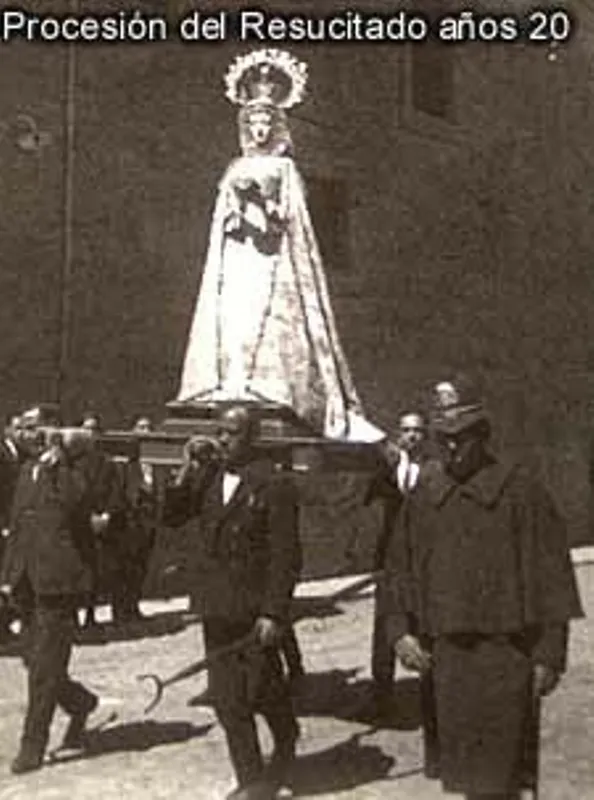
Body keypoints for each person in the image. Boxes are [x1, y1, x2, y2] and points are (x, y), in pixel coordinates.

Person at [381, 377, 584, 799]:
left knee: (502, 779)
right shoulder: (425, 495)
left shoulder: (520, 491)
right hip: (444, 658)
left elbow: (552, 576)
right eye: (443, 438)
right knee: (465, 777)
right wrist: (399, 631)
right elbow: (397, 568)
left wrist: (549, 653)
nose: (452, 446)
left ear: (482, 434)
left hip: (507, 656)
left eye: (461, 437)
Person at [174, 48, 383, 445]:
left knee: (270, 319)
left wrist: (262, 200)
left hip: (273, 258)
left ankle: (270, 386)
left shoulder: (284, 168)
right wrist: (237, 203)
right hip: (239, 257)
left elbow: (290, 219)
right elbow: (223, 221)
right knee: (235, 318)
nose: (260, 130)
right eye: (253, 122)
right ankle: (232, 383)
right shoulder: (235, 168)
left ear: (277, 126)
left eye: (266, 122)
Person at [163, 405, 301, 800]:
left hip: (254, 608)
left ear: (252, 437)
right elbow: (172, 516)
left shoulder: (274, 483)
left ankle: (286, 733)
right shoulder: (207, 476)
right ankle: (251, 780)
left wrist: (274, 611)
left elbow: (286, 555)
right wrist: (184, 471)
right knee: (227, 699)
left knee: (262, 689)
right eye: (220, 432)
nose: (223, 440)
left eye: (233, 433)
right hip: (217, 605)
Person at [0, 419, 100, 774]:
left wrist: (61, 463)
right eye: (26, 429)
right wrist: (7, 577)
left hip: (60, 585)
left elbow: (76, 505)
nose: (31, 435)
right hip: (26, 582)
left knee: (44, 668)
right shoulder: (26, 472)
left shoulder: (73, 475)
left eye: (38, 430)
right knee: (35, 661)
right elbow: (18, 526)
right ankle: (80, 702)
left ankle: (32, 746)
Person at [364, 412, 428, 707]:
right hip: (390, 559)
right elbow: (370, 500)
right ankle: (382, 694)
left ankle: (430, 691)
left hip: (423, 559)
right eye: (406, 430)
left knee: (423, 621)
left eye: (417, 431)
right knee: (386, 623)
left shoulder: (434, 469)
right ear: (398, 434)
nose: (412, 436)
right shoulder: (386, 468)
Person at [79, 412, 126, 628]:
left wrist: (107, 514)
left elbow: (115, 491)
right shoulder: (73, 461)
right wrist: (85, 515)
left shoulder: (107, 462)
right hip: (80, 521)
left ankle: (91, 614)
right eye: (86, 429)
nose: (90, 434)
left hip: (101, 521)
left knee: (97, 570)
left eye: (94, 429)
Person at [112, 415, 159, 621]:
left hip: (149, 522)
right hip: (130, 521)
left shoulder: (156, 463)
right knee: (125, 566)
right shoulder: (127, 463)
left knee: (141, 565)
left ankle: (133, 605)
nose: (145, 431)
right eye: (141, 427)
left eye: (149, 427)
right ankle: (120, 608)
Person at [0, 413, 24, 642]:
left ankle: (6, 623)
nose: (21, 432)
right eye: (17, 428)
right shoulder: (2, 453)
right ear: (7, 429)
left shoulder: (23, 453)